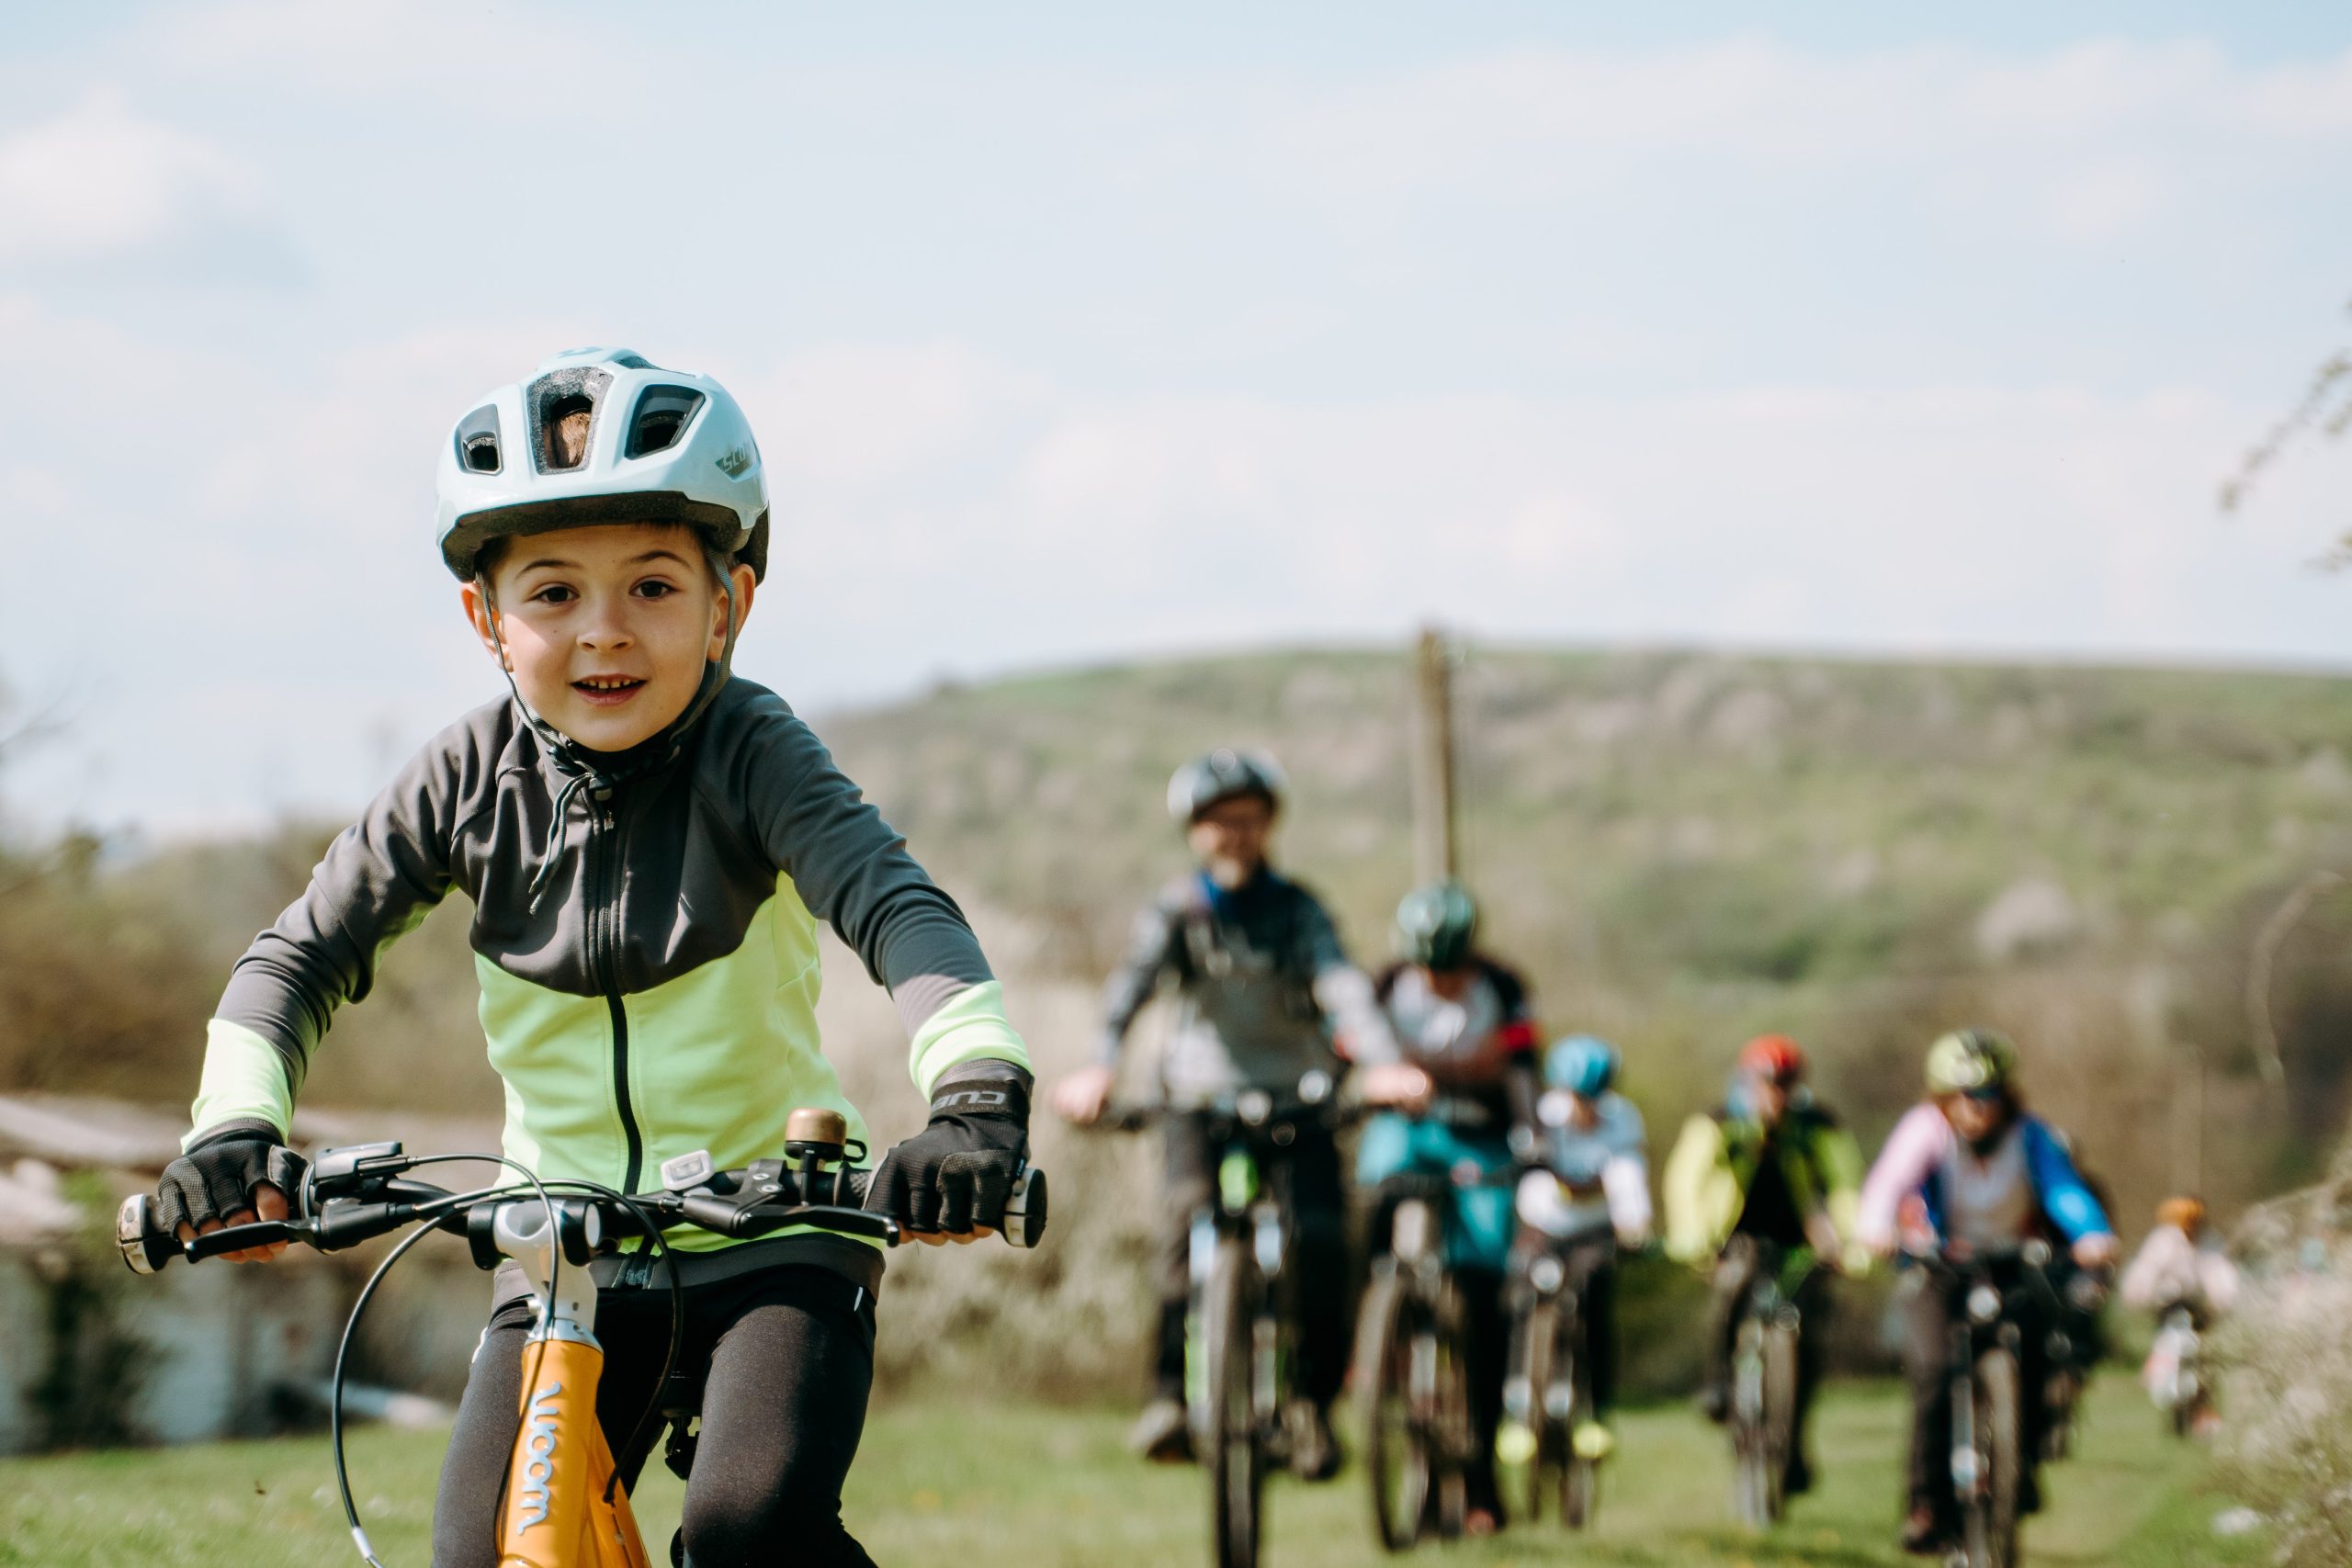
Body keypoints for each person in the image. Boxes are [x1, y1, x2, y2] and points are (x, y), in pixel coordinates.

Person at [150, 349, 1035, 1568]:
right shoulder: (464, 778)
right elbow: (297, 957)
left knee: (748, 1529)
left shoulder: (752, 749)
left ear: (730, 603)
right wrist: (230, 1129)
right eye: (553, 592)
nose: (604, 633)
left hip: (770, 1231)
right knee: (483, 1554)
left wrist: (976, 1096)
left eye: (656, 586)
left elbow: (901, 912)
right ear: (486, 618)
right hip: (558, 1255)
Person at [1048, 748, 1407, 1472]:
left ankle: (1310, 1404)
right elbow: (1130, 988)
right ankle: (1170, 1400)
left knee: (1323, 1243)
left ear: (1270, 825)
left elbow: (1341, 983)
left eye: (1249, 820)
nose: (1235, 834)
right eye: (1219, 823)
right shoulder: (1179, 911)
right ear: (1194, 832)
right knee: (1183, 1228)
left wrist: (1383, 1061)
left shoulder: (1298, 908)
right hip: (1197, 1097)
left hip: (1297, 1097)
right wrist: (1098, 1067)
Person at [1859, 1028, 2118, 1556]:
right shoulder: (1924, 1130)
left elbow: (2062, 1188)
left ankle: (2020, 1469)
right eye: (1966, 1097)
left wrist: (2090, 1232)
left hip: (2010, 1262)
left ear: (2006, 1096)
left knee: (2046, 1354)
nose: (1978, 1109)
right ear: (1943, 1098)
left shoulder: (2030, 1135)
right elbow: (1888, 1182)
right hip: (1937, 1264)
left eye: (1989, 1096)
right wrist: (1875, 1228)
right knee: (1932, 1370)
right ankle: (1925, 1503)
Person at [1353, 879, 1542, 1534]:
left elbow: (1521, 1067)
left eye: (1450, 966)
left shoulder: (1503, 986)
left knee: (1486, 1297)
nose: (1438, 978)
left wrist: (1531, 1135)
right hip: (1408, 1126)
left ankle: (1484, 1481)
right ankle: (1373, 1319)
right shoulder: (1384, 986)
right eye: (1428, 966)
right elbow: (1351, 1049)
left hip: (1482, 1135)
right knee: (1377, 1182)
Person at [1662, 1033, 1864, 1501]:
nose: (1774, 1093)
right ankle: (1717, 1385)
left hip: (1801, 1242)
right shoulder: (1721, 1121)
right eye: (1766, 1083)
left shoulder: (1817, 1124)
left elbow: (1846, 1184)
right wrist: (1691, 1236)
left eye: (1784, 1084)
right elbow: (1687, 1178)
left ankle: (1793, 1445)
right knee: (1731, 1290)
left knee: (1810, 1329)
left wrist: (1850, 1242)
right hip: (1736, 1236)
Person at [1504, 1034, 1650, 1465]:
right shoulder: (1540, 1117)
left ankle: (1596, 1413)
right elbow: (1523, 1167)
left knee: (1594, 1303)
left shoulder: (1623, 1119)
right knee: (1517, 1300)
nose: (1584, 1106)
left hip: (1594, 1230)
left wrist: (1634, 1220)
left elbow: (1628, 1172)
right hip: (1541, 1225)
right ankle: (1515, 1410)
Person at [2120, 1195, 2239, 1433]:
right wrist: (2140, 1293)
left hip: (2199, 1306)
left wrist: (2223, 1298)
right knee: (2168, 1346)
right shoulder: (2163, 1240)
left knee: (2204, 1358)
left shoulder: (2209, 1241)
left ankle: (2201, 1407)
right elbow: (2147, 1269)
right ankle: (2167, 1391)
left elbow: (2219, 1271)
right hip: (2169, 1304)